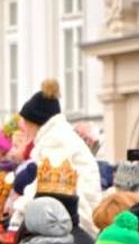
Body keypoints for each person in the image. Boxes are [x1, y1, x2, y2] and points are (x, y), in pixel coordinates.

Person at [15, 79, 103, 234]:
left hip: (77, 211)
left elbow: (47, 184)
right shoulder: (57, 135)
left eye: (27, 123)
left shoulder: (55, 140)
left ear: (36, 122)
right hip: (76, 207)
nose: (26, 129)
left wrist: (19, 210)